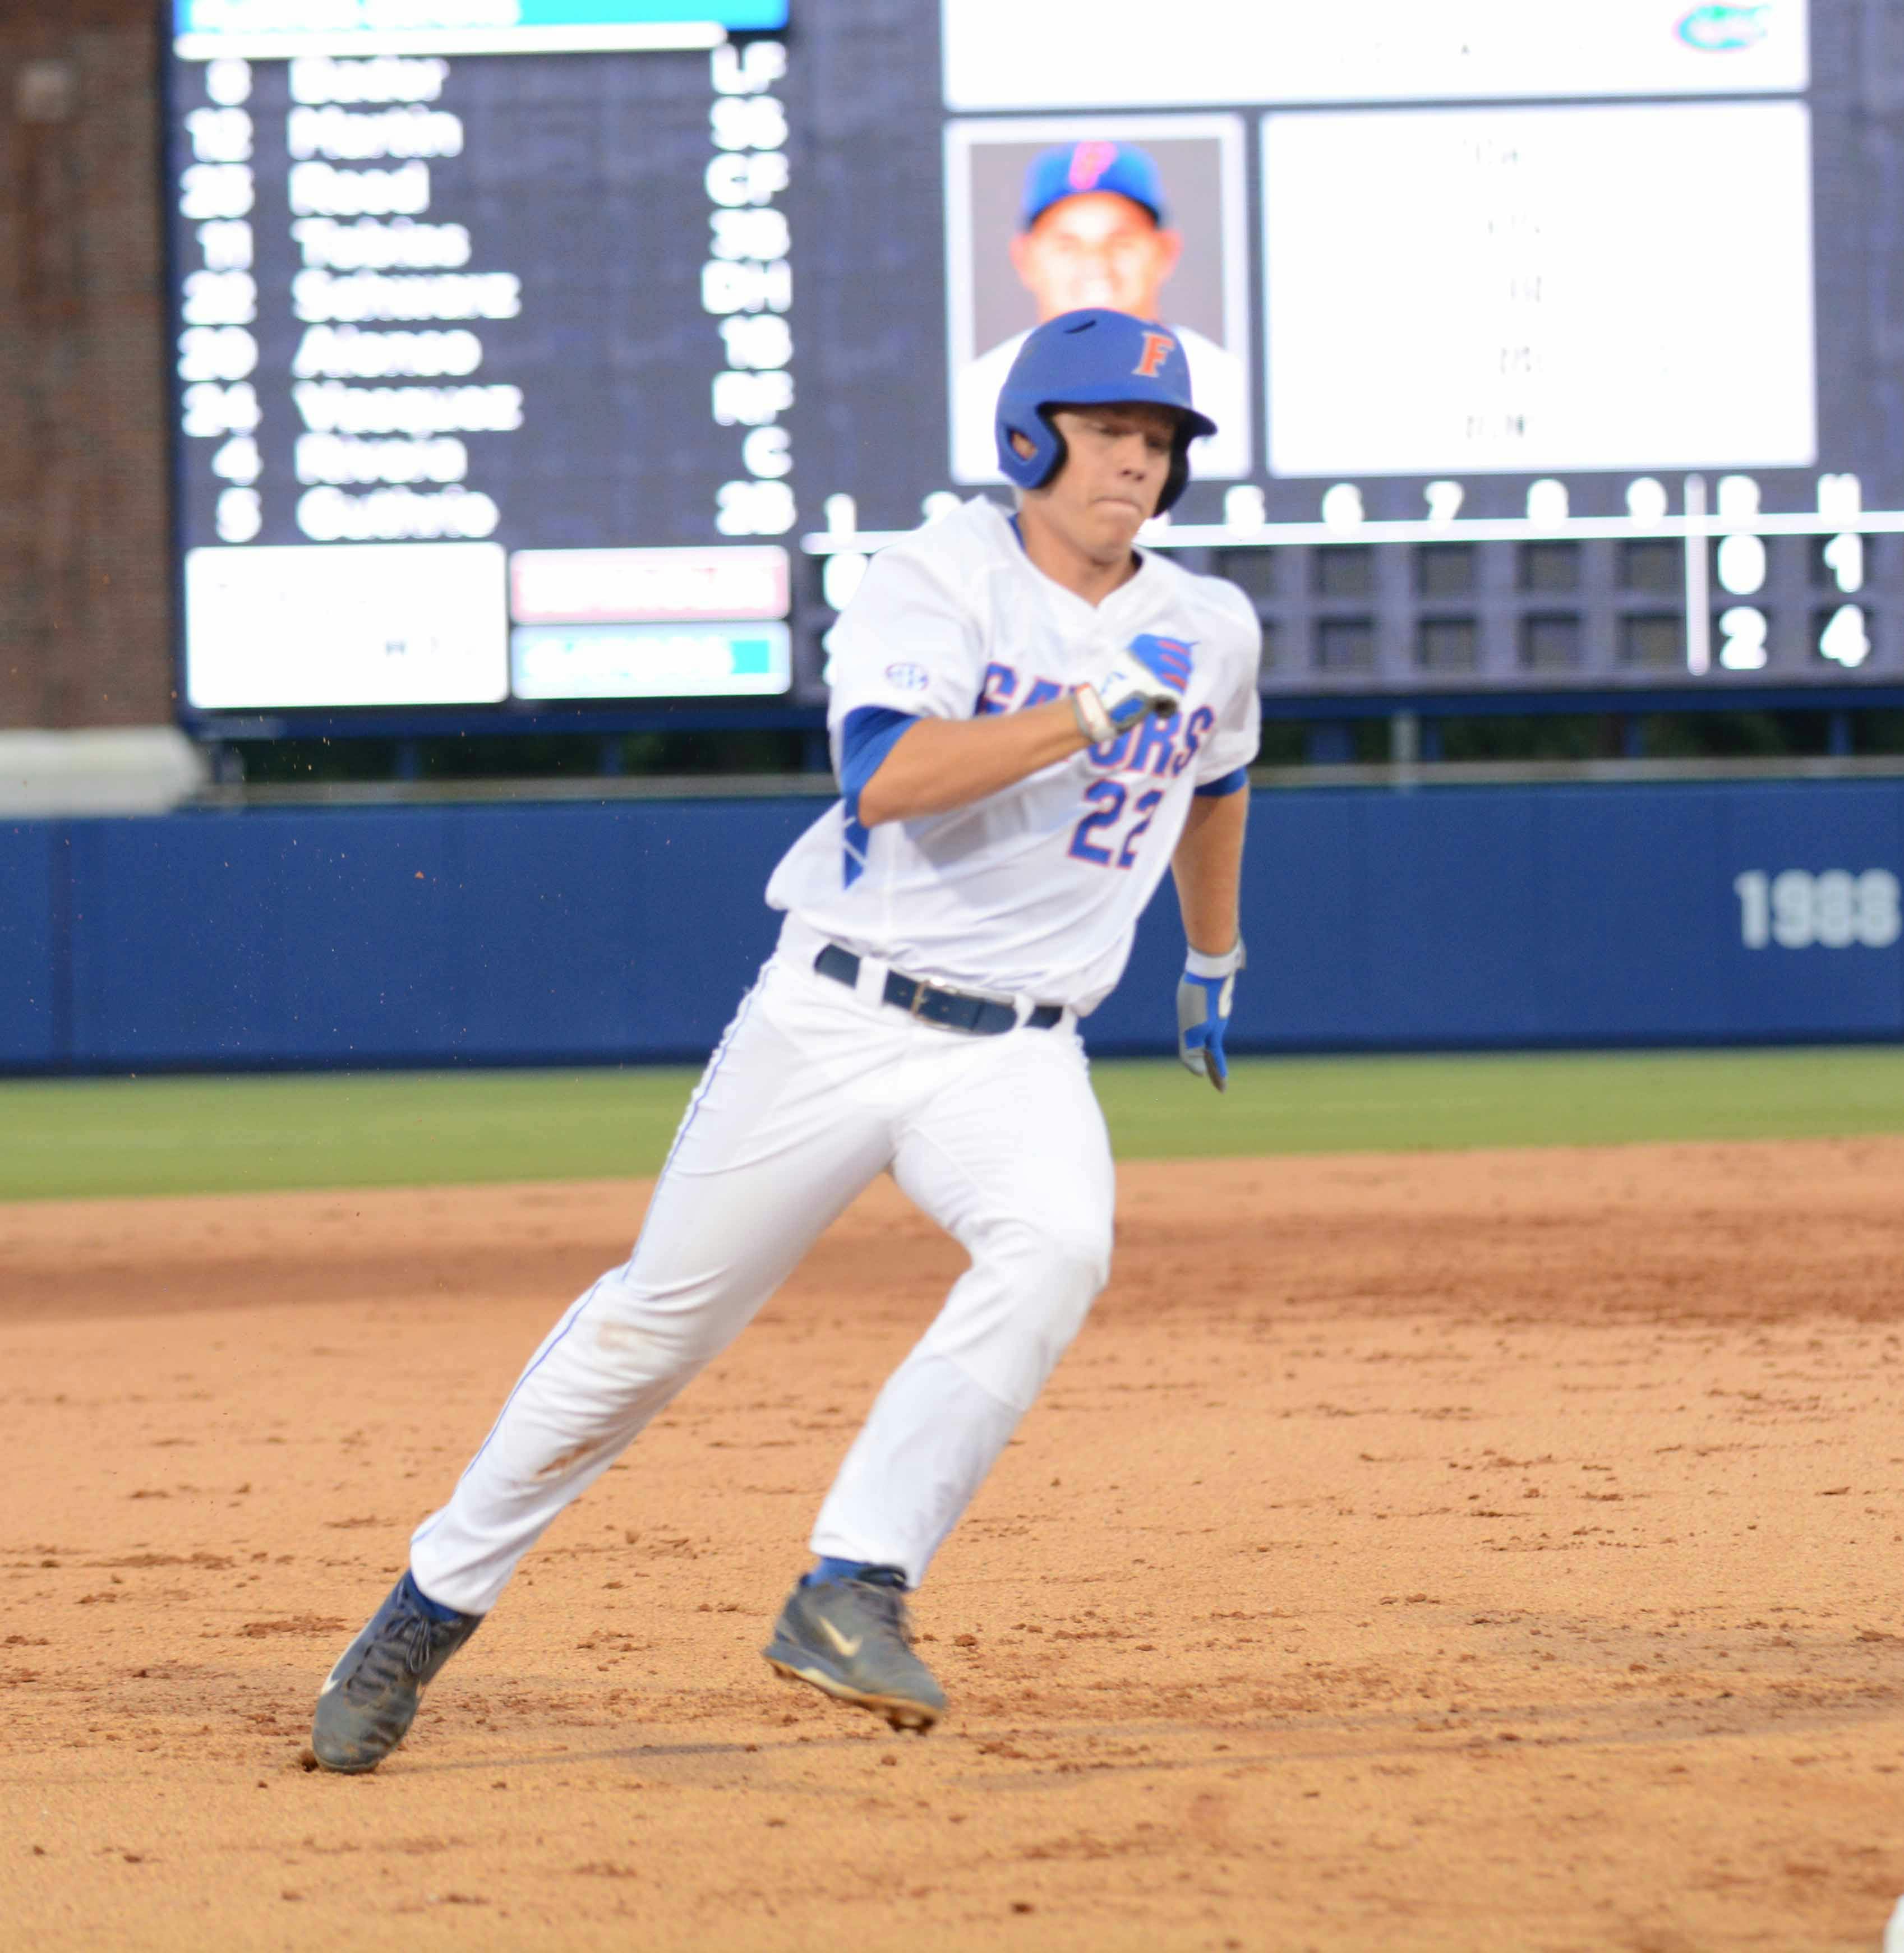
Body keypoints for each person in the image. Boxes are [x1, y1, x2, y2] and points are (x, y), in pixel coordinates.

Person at [310, 308, 1262, 1772]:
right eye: (1108, 430)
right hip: (834, 1012)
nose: (1136, 462)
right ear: (1031, 435)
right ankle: (430, 1604)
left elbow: (1220, 782)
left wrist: (1213, 952)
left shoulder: (1210, 626)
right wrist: (1078, 712)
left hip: (1016, 1051)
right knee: (654, 1327)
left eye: (1159, 442)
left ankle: (852, 1582)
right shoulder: (933, 577)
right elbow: (884, 779)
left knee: (1058, 1245)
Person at [953, 141, 1252, 487]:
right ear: (1025, 259)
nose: (1096, 265)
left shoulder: (1229, 385)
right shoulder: (974, 394)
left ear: (1165, 251)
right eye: (1067, 246)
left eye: (1121, 242)